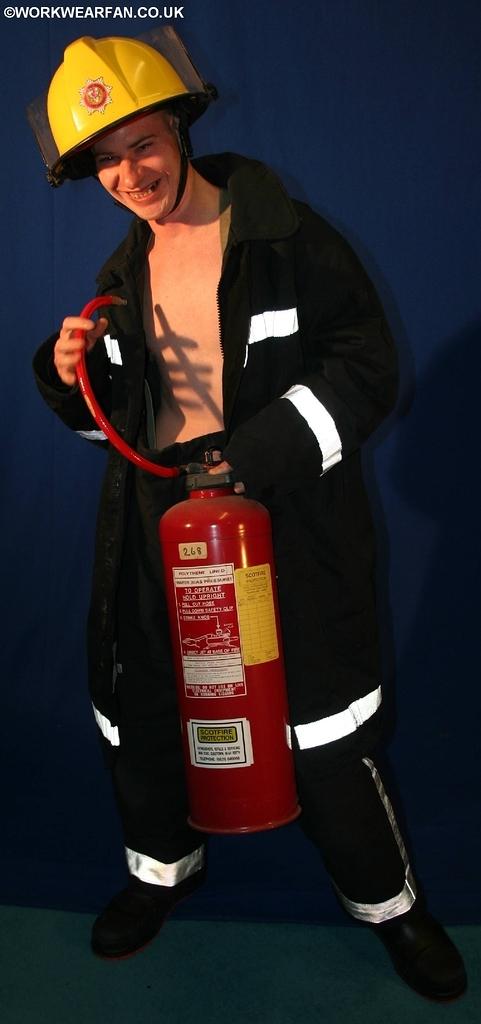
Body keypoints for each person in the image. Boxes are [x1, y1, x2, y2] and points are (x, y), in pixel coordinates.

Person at [30, 30, 466, 999]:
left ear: (180, 128)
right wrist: (67, 379)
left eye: (142, 143)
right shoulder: (118, 278)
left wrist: (255, 458)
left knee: (322, 723)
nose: (129, 174)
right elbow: (117, 429)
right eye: (105, 161)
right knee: (146, 708)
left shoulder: (288, 238)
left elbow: (365, 368)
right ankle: (160, 873)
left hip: (283, 514)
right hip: (158, 517)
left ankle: (388, 905)